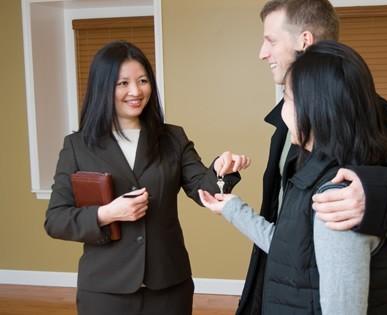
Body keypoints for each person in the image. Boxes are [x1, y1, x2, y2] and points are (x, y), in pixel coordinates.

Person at [232, 0, 387, 314]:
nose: (262, 53)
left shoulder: (366, 110)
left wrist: (370, 194)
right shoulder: (289, 120)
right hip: (286, 282)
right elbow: (282, 215)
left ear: (304, 41)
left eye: (270, 40)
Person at [44, 40, 250, 315]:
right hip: (106, 289)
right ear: (103, 87)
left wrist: (221, 169)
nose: (135, 91)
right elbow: (56, 219)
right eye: (123, 83)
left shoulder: (172, 138)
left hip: (168, 285)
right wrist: (108, 213)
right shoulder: (77, 146)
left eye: (142, 81)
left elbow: (204, 190)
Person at [200, 40, 387, 314]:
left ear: (317, 109)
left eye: (288, 97)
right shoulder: (310, 168)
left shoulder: (336, 198)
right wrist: (232, 208)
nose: (282, 111)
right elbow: (290, 248)